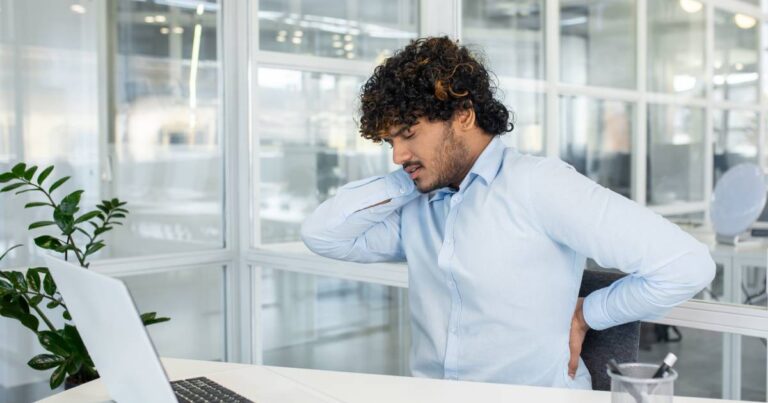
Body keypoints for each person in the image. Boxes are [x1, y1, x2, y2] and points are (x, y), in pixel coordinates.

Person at [300, 37, 715, 389]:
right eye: (390, 141)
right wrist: (406, 177)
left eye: (408, 135)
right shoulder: (418, 202)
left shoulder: (540, 185)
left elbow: (686, 265)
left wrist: (589, 313)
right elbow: (324, 235)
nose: (397, 154)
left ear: (463, 115)